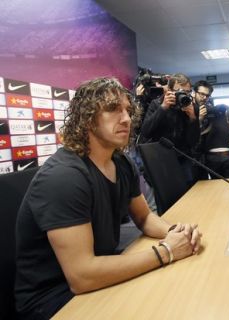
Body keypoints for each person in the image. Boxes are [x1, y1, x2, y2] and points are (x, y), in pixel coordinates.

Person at [15, 77, 202, 320]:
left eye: (127, 110)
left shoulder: (121, 162)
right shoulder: (64, 177)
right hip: (54, 301)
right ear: (87, 118)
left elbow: (144, 217)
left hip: (97, 274)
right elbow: (81, 276)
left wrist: (177, 232)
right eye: (113, 109)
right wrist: (166, 251)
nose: (126, 118)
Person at [141, 73, 200, 186]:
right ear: (169, 90)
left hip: (183, 157)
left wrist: (192, 118)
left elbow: (194, 141)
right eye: (179, 91)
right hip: (160, 158)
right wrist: (163, 108)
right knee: (163, 192)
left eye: (187, 92)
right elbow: (146, 132)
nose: (184, 95)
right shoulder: (157, 103)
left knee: (186, 193)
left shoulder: (191, 106)